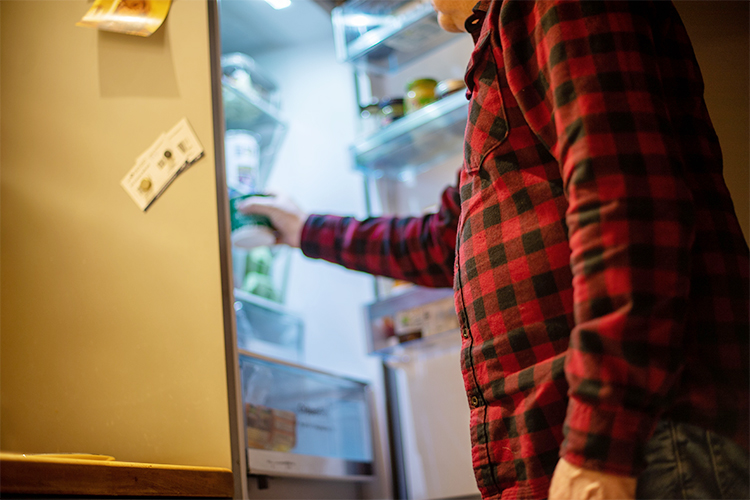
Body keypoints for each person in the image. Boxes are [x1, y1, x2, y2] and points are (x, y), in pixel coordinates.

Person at [241, 1, 750, 498]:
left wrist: (600, 443)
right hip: (586, 439)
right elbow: (443, 241)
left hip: (650, 434)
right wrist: (304, 230)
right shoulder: (502, 51)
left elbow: (628, 203)